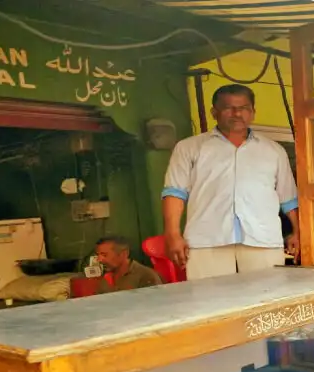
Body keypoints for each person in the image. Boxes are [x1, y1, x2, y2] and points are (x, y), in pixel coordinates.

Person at [161, 84, 299, 280]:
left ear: (252, 112)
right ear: (214, 112)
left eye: (244, 108)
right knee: (209, 302)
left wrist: (297, 231)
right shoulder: (189, 148)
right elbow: (174, 193)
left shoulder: (273, 150)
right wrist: (173, 234)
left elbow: (288, 197)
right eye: (228, 108)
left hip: (263, 238)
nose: (237, 113)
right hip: (207, 239)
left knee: (267, 300)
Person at [94, 235, 163, 294]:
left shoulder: (146, 276)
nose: (99, 259)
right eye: (98, 255)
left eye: (104, 255)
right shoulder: (106, 277)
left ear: (124, 254)